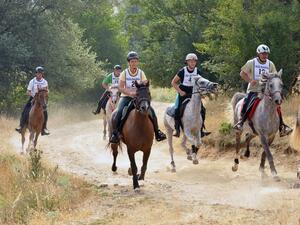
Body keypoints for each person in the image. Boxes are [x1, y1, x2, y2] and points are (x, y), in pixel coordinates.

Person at [233, 44, 293, 137]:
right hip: (254, 90)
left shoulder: (270, 64)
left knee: (277, 106)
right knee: (247, 102)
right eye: (263, 54)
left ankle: (282, 126)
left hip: (267, 91)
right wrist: (250, 80)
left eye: (266, 54)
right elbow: (242, 73)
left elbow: (275, 76)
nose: (265, 55)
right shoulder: (251, 63)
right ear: (258, 54)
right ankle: (240, 123)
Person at [109, 51, 166, 143]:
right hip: (126, 97)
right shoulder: (124, 73)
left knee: (152, 112)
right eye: (132, 61)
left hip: (139, 98)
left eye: (135, 61)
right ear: (129, 63)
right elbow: (120, 87)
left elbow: (145, 84)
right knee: (119, 112)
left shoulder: (141, 73)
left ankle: (157, 132)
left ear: (137, 62)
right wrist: (130, 93)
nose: (134, 63)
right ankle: (115, 134)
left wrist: (140, 92)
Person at [171, 53, 211, 137]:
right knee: (177, 109)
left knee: (202, 109)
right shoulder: (182, 71)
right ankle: (177, 129)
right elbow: (173, 82)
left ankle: (201, 129)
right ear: (187, 62)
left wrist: (202, 93)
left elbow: (201, 84)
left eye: (194, 61)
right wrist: (180, 91)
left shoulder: (198, 71)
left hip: (194, 92)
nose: (192, 63)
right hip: (183, 92)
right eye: (190, 61)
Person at [15, 66, 50, 135]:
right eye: (38, 73)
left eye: (40, 73)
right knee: (25, 110)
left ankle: (44, 128)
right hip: (33, 98)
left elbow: (47, 91)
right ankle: (21, 126)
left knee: (45, 113)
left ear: (42, 74)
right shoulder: (32, 81)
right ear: (36, 74)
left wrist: (45, 95)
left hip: (42, 99)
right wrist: (34, 95)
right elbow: (28, 91)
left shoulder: (45, 82)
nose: (39, 74)